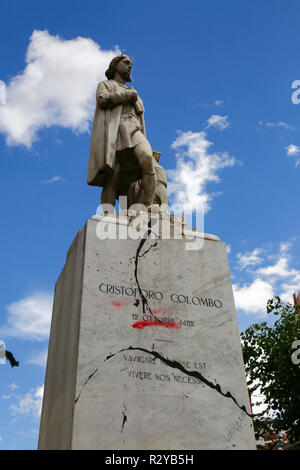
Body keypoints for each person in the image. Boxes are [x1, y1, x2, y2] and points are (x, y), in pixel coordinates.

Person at [87, 54, 156, 209]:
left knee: (147, 158)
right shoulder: (105, 85)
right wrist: (126, 95)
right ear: (115, 66)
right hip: (115, 131)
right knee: (113, 173)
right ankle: (107, 213)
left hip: (134, 130)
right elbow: (103, 100)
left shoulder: (136, 94)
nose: (130, 66)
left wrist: (132, 96)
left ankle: (148, 205)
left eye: (131, 64)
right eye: (126, 63)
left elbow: (140, 118)